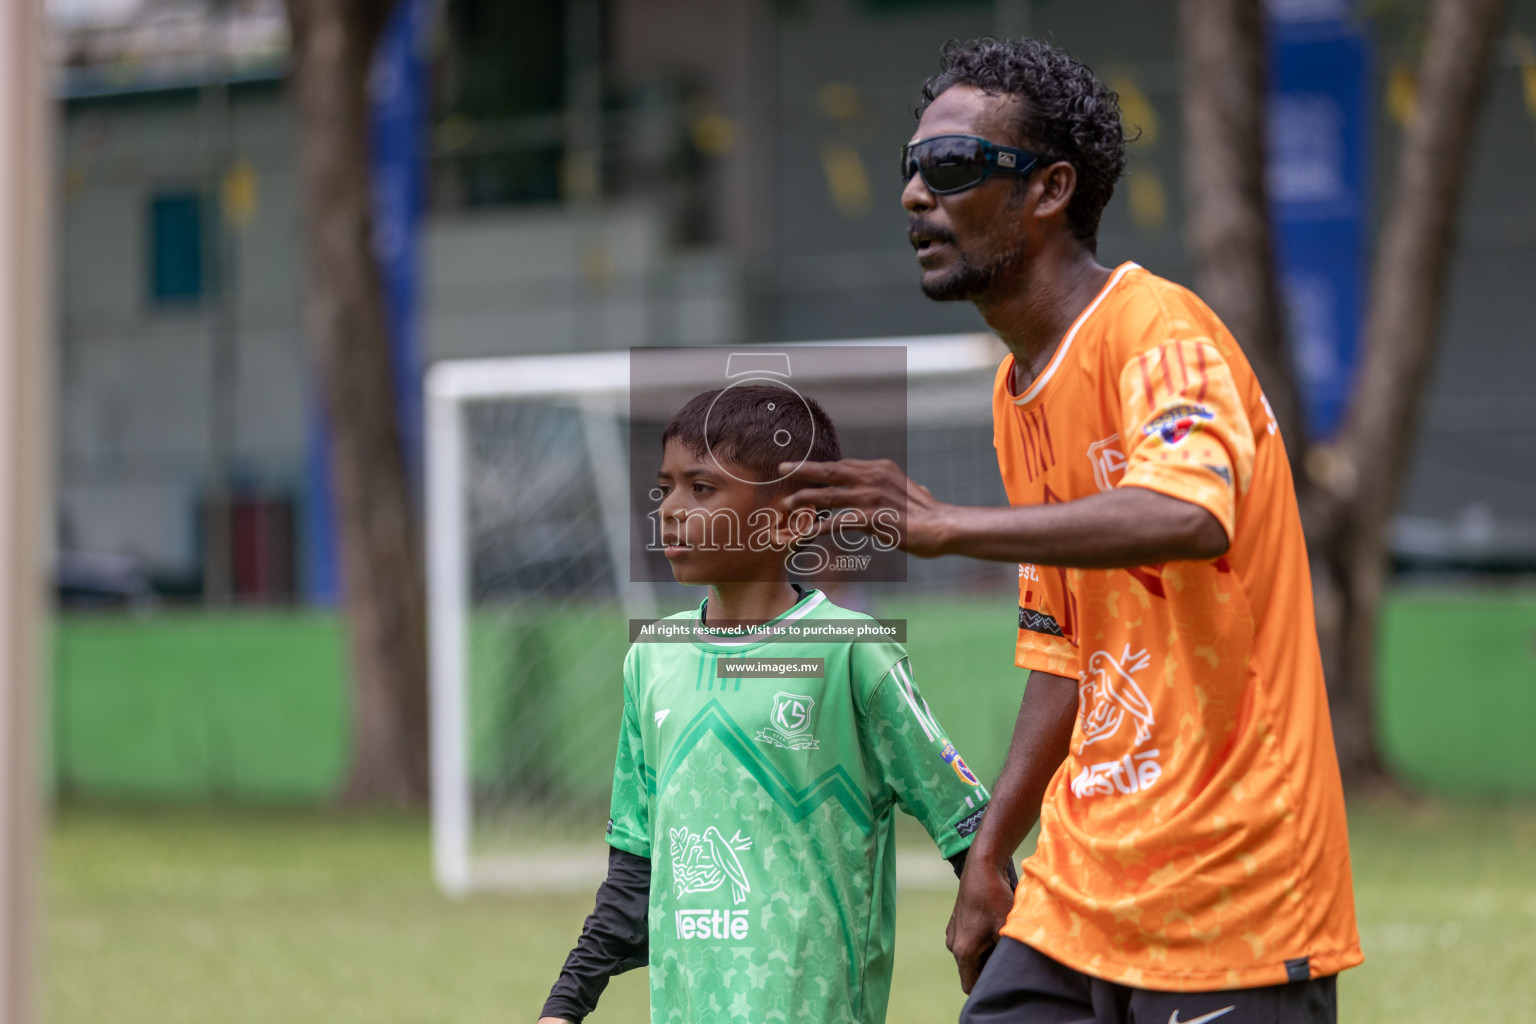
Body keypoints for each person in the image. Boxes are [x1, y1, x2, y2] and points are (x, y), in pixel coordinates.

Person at [778, 37, 1362, 1024]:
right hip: (1084, 886)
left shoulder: (1160, 334)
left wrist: (948, 525)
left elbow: (1189, 509)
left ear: (1050, 189)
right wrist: (993, 851)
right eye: (911, 169)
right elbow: (1066, 653)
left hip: (1236, 889)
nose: (918, 195)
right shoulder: (1020, 395)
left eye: (953, 167)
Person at [538, 383, 998, 1024]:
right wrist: (564, 1006)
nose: (670, 509)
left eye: (701, 489)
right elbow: (635, 871)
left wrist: (1013, 963)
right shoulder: (651, 660)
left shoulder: (851, 653)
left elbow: (971, 833)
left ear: (793, 518)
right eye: (665, 486)